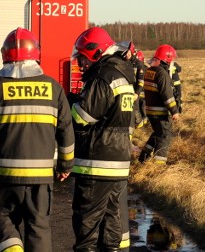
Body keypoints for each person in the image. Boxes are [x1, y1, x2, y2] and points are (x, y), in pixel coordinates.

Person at [0, 27, 74, 252]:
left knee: (1, 218)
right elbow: (65, 130)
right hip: (40, 177)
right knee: (39, 226)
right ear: (36, 54)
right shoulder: (53, 87)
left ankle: (12, 249)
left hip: (4, 176)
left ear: (5, 55)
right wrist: (65, 165)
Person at [68, 27, 137, 252]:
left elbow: (82, 116)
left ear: (96, 53)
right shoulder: (123, 75)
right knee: (110, 222)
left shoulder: (103, 77)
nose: (81, 63)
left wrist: (70, 104)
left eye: (83, 58)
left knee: (87, 224)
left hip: (96, 163)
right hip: (117, 162)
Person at [138, 44, 180, 165]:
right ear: (166, 60)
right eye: (171, 60)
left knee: (157, 133)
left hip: (150, 110)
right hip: (160, 112)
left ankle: (143, 157)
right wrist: (174, 111)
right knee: (165, 136)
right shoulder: (162, 73)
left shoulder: (150, 71)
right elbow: (167, 94)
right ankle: (159, 165)